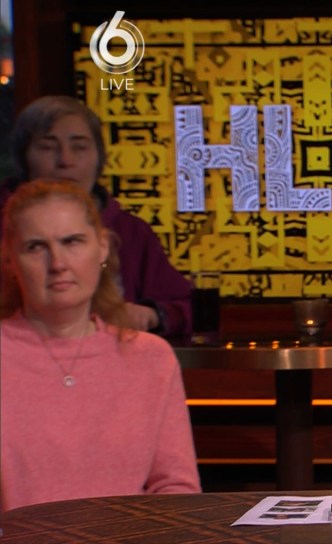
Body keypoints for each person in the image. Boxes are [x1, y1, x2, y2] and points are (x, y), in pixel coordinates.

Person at [0, 179, 201, 511]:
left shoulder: (150, 357)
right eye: (36, 247)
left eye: (72, 241)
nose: (58, 263)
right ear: (10, 259)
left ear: (103, 247)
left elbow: (176, 488)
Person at [2, 95, 192, 338]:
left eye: (79, 147)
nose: (65, 161)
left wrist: (152, 314)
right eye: (47, 147)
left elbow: (186, 306)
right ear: (24, 157)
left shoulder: (131, 232)